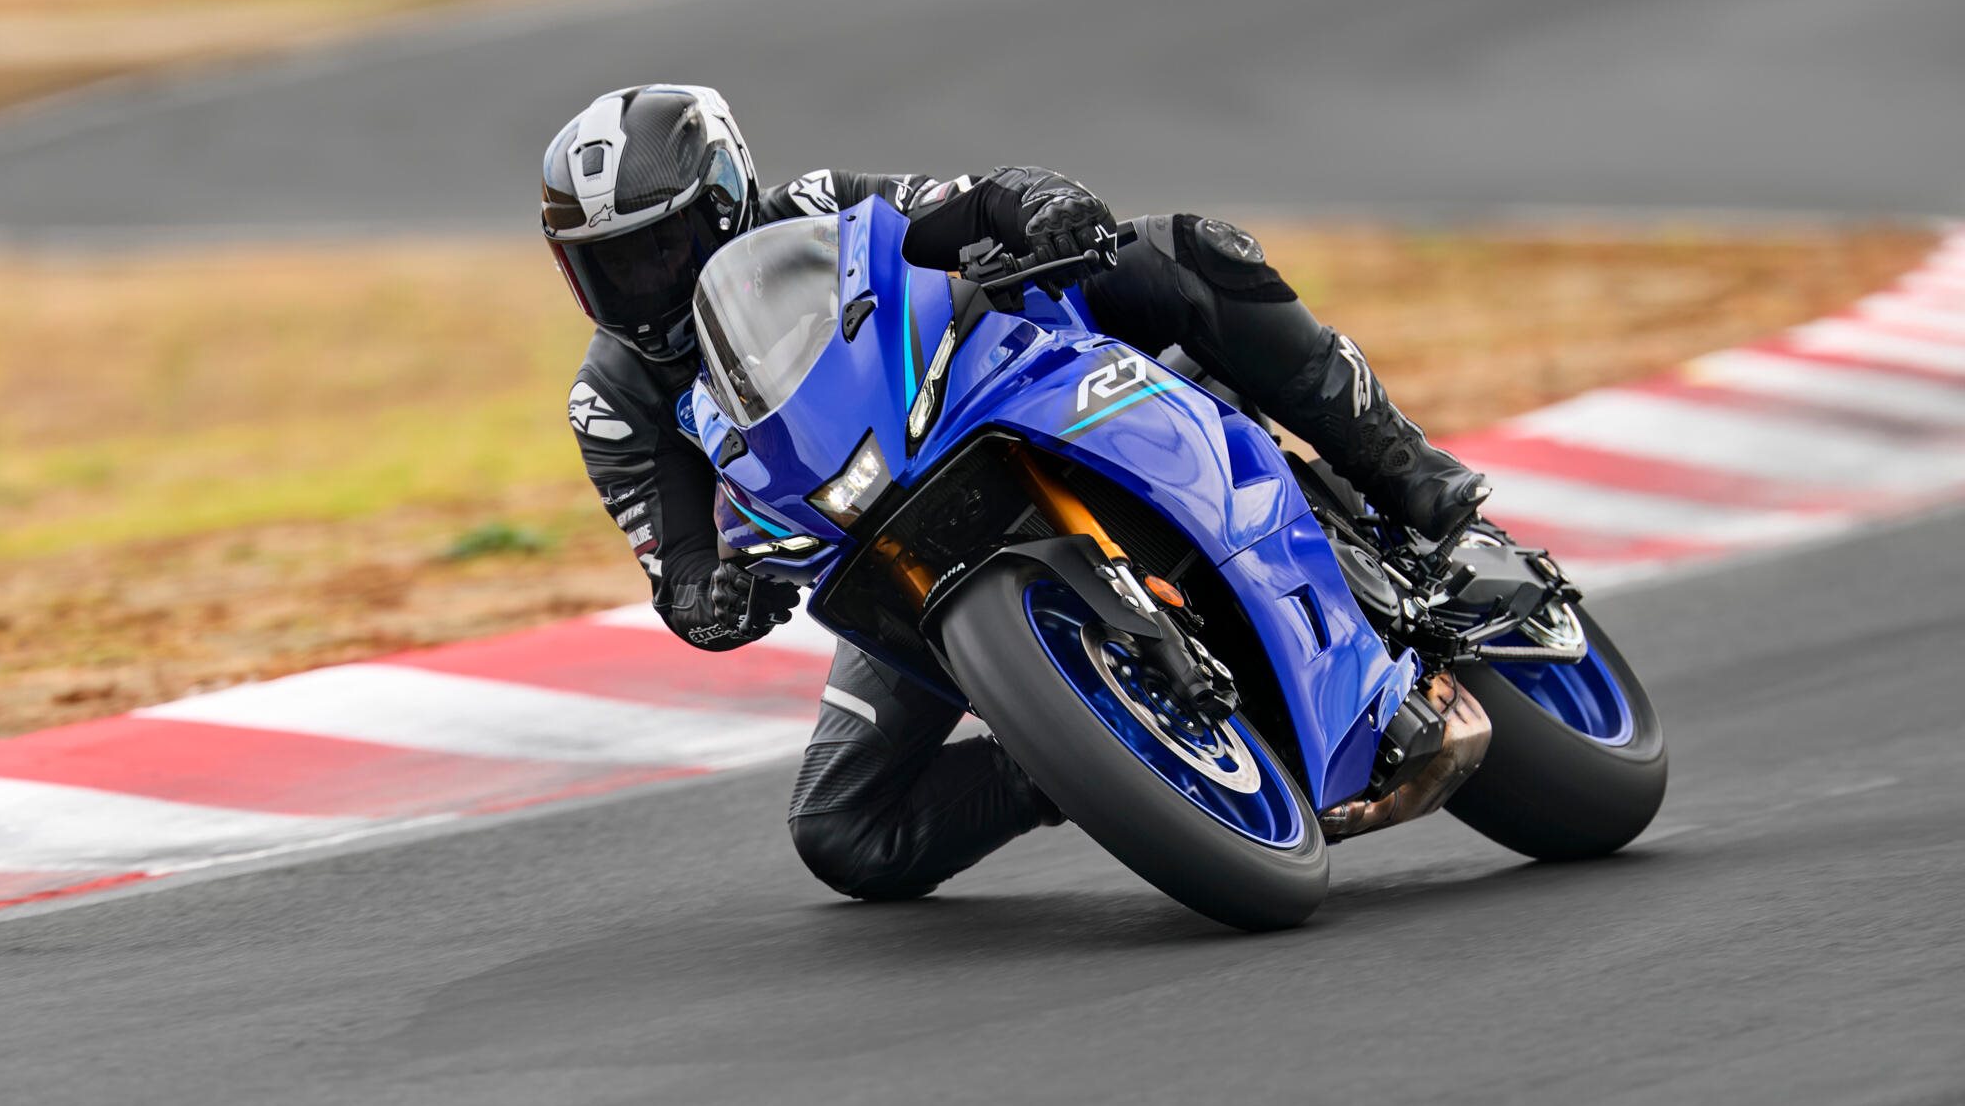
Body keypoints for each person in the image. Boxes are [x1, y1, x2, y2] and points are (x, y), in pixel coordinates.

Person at [545, 84, 1486, 902]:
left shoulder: (818, 209)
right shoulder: (612, 402)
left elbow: (958, 205)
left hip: (985, 394)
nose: (640, 286)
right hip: (883, 549)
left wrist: (1038, 203)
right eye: (608, 267)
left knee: (1182, 250)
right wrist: (713, 600)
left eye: (657, 249)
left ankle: (1402, 468)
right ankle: (1084, 749)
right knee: (841, 828)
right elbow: (677, 565)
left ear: (723, 199)